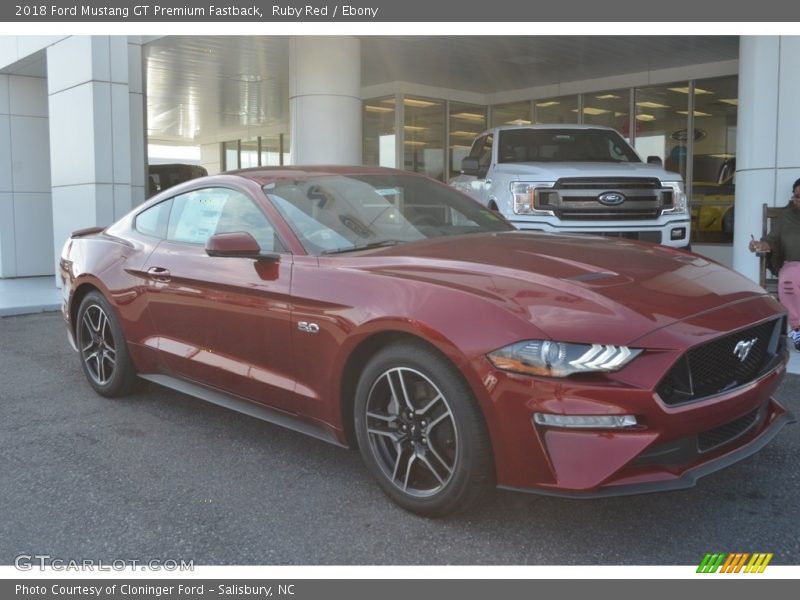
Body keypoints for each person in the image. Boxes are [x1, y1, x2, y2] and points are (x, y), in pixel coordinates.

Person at [750, 178, 800, 350]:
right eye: (797, 197)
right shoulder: (786, 217)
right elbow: (770, 241)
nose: (799, 200)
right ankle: (797, 328)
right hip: (794, 265)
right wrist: (759, 245)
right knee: (788, 282)